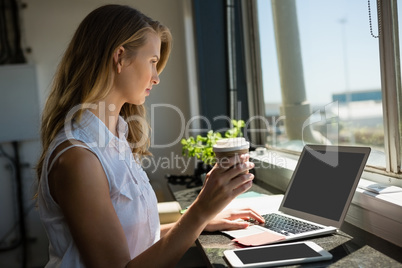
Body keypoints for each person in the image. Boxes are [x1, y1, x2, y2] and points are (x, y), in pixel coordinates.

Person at [35, 4, 264, 268]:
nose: (156, 78)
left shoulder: (115, 139)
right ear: (120, 57)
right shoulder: (79, 158)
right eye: (153, 62)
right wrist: (200, 211)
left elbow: (138, 245)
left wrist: (201, 219)